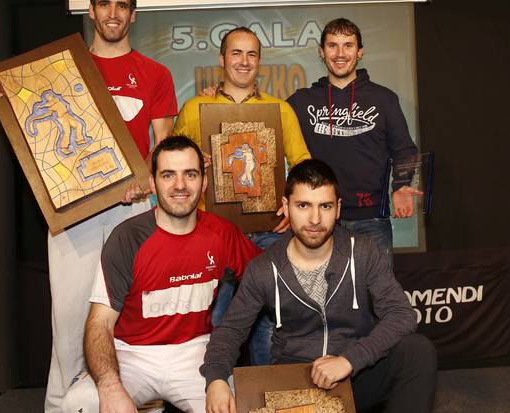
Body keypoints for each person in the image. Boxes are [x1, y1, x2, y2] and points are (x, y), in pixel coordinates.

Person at [0, 1, 178, 411]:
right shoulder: (60, 68)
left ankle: (143, 404)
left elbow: (163, 147)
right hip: (72, 210)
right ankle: (61, 406)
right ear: (91, 11)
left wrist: (144, 179)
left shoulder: (156, 73)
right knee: (68, 317)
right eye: (104, 3)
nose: (113, 12)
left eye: (123, 5)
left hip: (133, 211)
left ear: (133, 14)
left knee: (136, 312)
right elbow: (22, 106)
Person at [202, 159, 436, 413]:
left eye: (325, 206)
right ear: (286, 207)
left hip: (354, 373)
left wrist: (349, 360)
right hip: (297, 381)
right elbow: (229, 331)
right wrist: (216, 379)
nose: (315, 219)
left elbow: (401, 315)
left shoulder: (363, 251)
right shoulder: (263, 269)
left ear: (338, 209)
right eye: (303, 205)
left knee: (417, 351)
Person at [61, 136, 260, 413]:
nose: (180, 185)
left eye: (190, 174)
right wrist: (109, 388)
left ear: (204, 182)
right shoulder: (128, 237)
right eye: (168, 175)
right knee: (79, 404)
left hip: (194, 352)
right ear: (153, 184)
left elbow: (271, 277)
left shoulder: (222, 233)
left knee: (241, 406)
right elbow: (100, 323)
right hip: (131, 354)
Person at [172, 27, 312, 365]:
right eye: (236, 53)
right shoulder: (195, 108)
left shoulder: (280, 109)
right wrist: (195, 162)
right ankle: (215, 387)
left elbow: (303, 164)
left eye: (251, 54)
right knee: (215, 321)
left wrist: (292, 208)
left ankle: (265, 391)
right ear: (222, 59)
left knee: (268, 323)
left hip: (269, 232)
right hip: (214, 234)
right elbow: (170, 162)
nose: (244, 61)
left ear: (259, 61)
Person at [286, 18, 421, 267]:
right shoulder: (300, 101)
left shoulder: (384, 99)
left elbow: (404, 150)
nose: (340, 53)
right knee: (321, 290)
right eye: (332, 46)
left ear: (360, 52)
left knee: (377, 290)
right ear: (322, 52)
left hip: (371, 220)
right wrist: (220, 91)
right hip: (319, 220)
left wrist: (401, 186)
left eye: (348, 45)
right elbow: (266, 127)